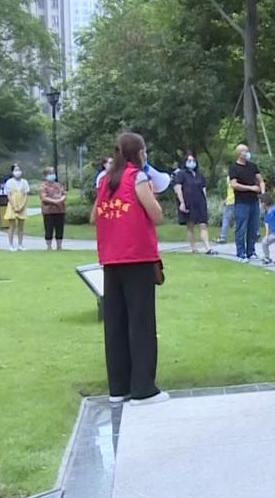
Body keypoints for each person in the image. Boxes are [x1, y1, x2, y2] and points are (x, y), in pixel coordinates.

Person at [92, 132, 168, 406]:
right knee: (140, 322)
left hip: (111, 258)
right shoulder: (138, 178)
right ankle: (143, 389)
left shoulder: (105, 180)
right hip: (137, 257)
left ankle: (118, 388)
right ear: (139, 152)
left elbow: (94, 216)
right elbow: (157, 215)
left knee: (116, 323)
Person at [228, 143, 264, 262]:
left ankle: (251, 251)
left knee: (253, 228)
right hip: (241, 202)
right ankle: (241, 253)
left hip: (254, 201)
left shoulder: (253, 166)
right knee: (241, 228)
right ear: (239, 153)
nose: (247, 153)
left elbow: (260, 180)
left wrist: (262, 192)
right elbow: (234, 184)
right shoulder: (234, 168)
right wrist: (250, 188)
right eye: (245, 151)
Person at [174, 153, 214, 254]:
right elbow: (178, 188)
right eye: (189, 161)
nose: (191, 163)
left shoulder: (199, 175)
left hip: (200, 202)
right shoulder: (181, 174)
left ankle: (208, 248)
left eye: (193, 161)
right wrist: (182, 202)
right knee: (190, 225)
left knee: (203, 224)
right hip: (188, 202)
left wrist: (205, 201)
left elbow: (203, 188)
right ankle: (193, 248)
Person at [40, 167, 68, 250]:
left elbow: (64, 194)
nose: (52, 175)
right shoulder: (43, 186)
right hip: (48, 211)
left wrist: (61, 200)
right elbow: (43, 197)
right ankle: (49, 246)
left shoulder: (58, 185)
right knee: (49, 228)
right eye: (50, 173)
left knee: (60, 228)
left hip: (60, 210)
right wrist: (55, 201)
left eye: (53, 173)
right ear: (45, 175)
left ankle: (59, 246)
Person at [3, 165, 30, 251]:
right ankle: (11, 245)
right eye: (16, 170)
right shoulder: (9, 182)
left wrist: (22, 206)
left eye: (19, 170)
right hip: (12, 205)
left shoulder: (24, 182)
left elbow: (26, 195)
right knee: (12, 226)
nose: (17, 172)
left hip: (22, 204)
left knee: (21, 226)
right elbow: (8, 195)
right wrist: (14, 206)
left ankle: (20, 244)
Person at [258, 194, 275, 264]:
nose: (259, 205)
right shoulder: (265, 213)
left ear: (264, 203)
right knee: (264, 242)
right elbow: (267, 224)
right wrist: (267, 235)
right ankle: (267, 257)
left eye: (260, 203)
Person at [218, 179, 235, 244]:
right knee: (241, 218)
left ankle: (222, 237)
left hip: (230, 202)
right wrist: (225, 200)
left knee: (226, 219)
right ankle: (255, 232)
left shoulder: (230, 177)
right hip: (237, 201)